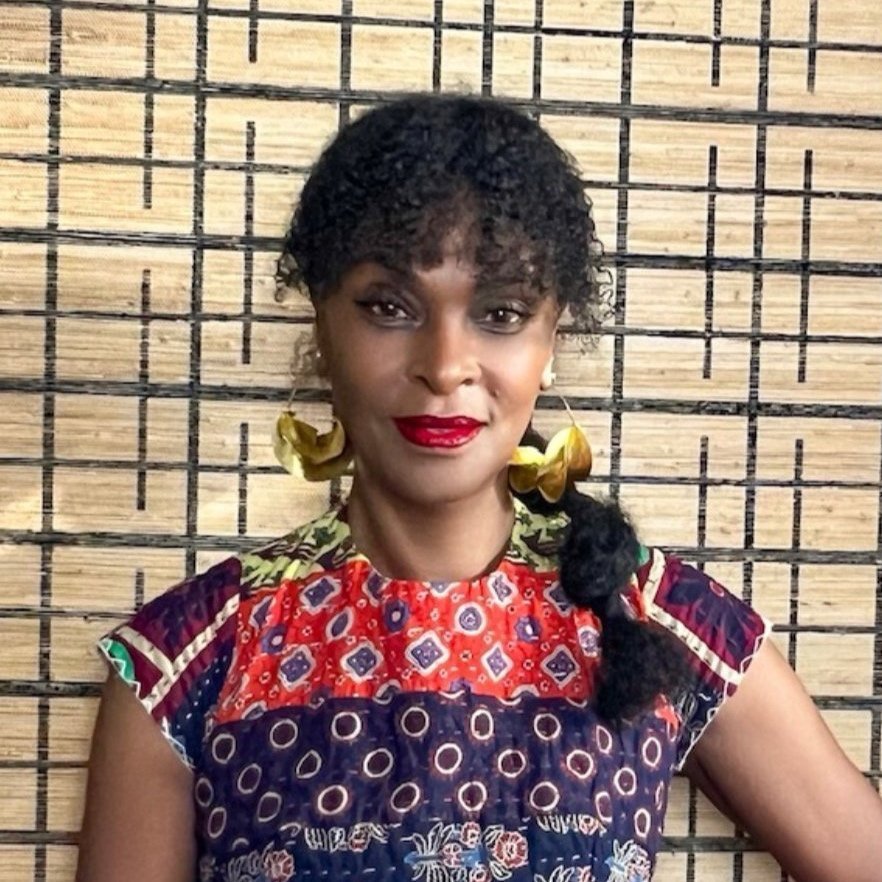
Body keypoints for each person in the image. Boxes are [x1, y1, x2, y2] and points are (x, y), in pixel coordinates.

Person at [76, 93, 882, 882]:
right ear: (321, 326)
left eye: (500, 314)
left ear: (551, 341)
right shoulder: (189, 661)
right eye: (389, 307)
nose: (445, 364)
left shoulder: (652, 622)